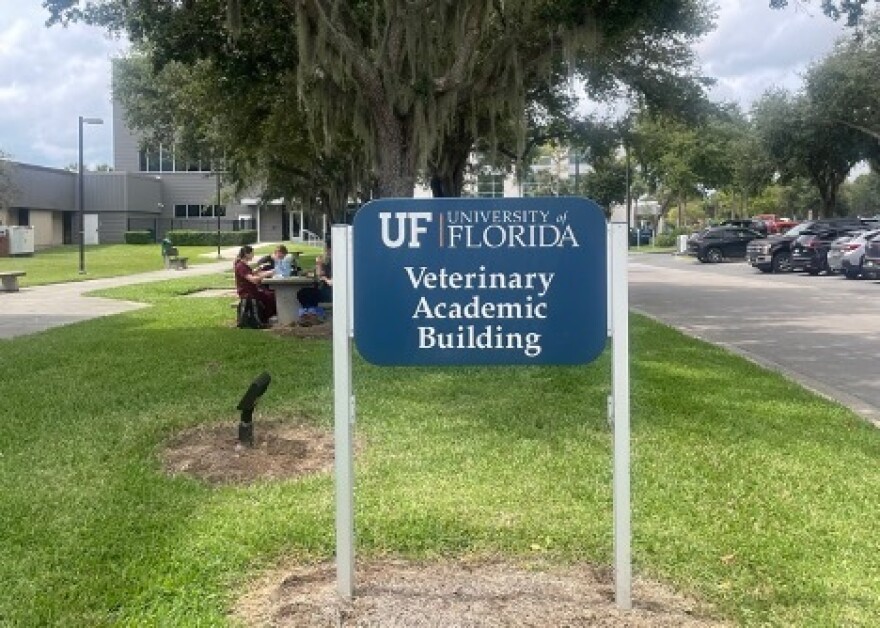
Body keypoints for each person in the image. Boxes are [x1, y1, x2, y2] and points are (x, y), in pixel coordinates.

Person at [234, 245, 277, 321]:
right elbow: (253, 280)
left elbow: (250, 274)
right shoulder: (241, 266)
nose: (253, 255)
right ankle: (265, 318)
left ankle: (266, 317)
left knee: (271, 294)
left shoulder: (243, 265)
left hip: (252, 290)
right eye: (252, 253)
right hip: (247, 293)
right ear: (246, 254)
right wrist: (267, 274)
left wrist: (260, 270)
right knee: (270, 296)